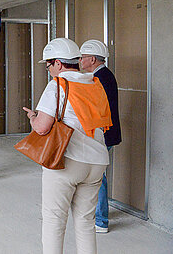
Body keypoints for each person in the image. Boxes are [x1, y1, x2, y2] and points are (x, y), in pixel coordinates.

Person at [22, 38, 112, 254]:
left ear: (59, 64)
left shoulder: (58, 85)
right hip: (97, 161)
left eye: (48, 65)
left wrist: (33, 118)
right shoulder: (94, 84)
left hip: (68, 161)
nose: (48, 70)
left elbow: (42, 128)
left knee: (54, 220)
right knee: (85, 222)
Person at [80, 39, 122, 234]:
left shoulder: (100, 78)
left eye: (83, 57)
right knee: (97, 176)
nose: (80, 61)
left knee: (98, 177)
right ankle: (99, 214)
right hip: (104, 133)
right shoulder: (103, 75)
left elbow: (98, 110)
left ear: (93, 59)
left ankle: (101, 220)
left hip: (103, 134)